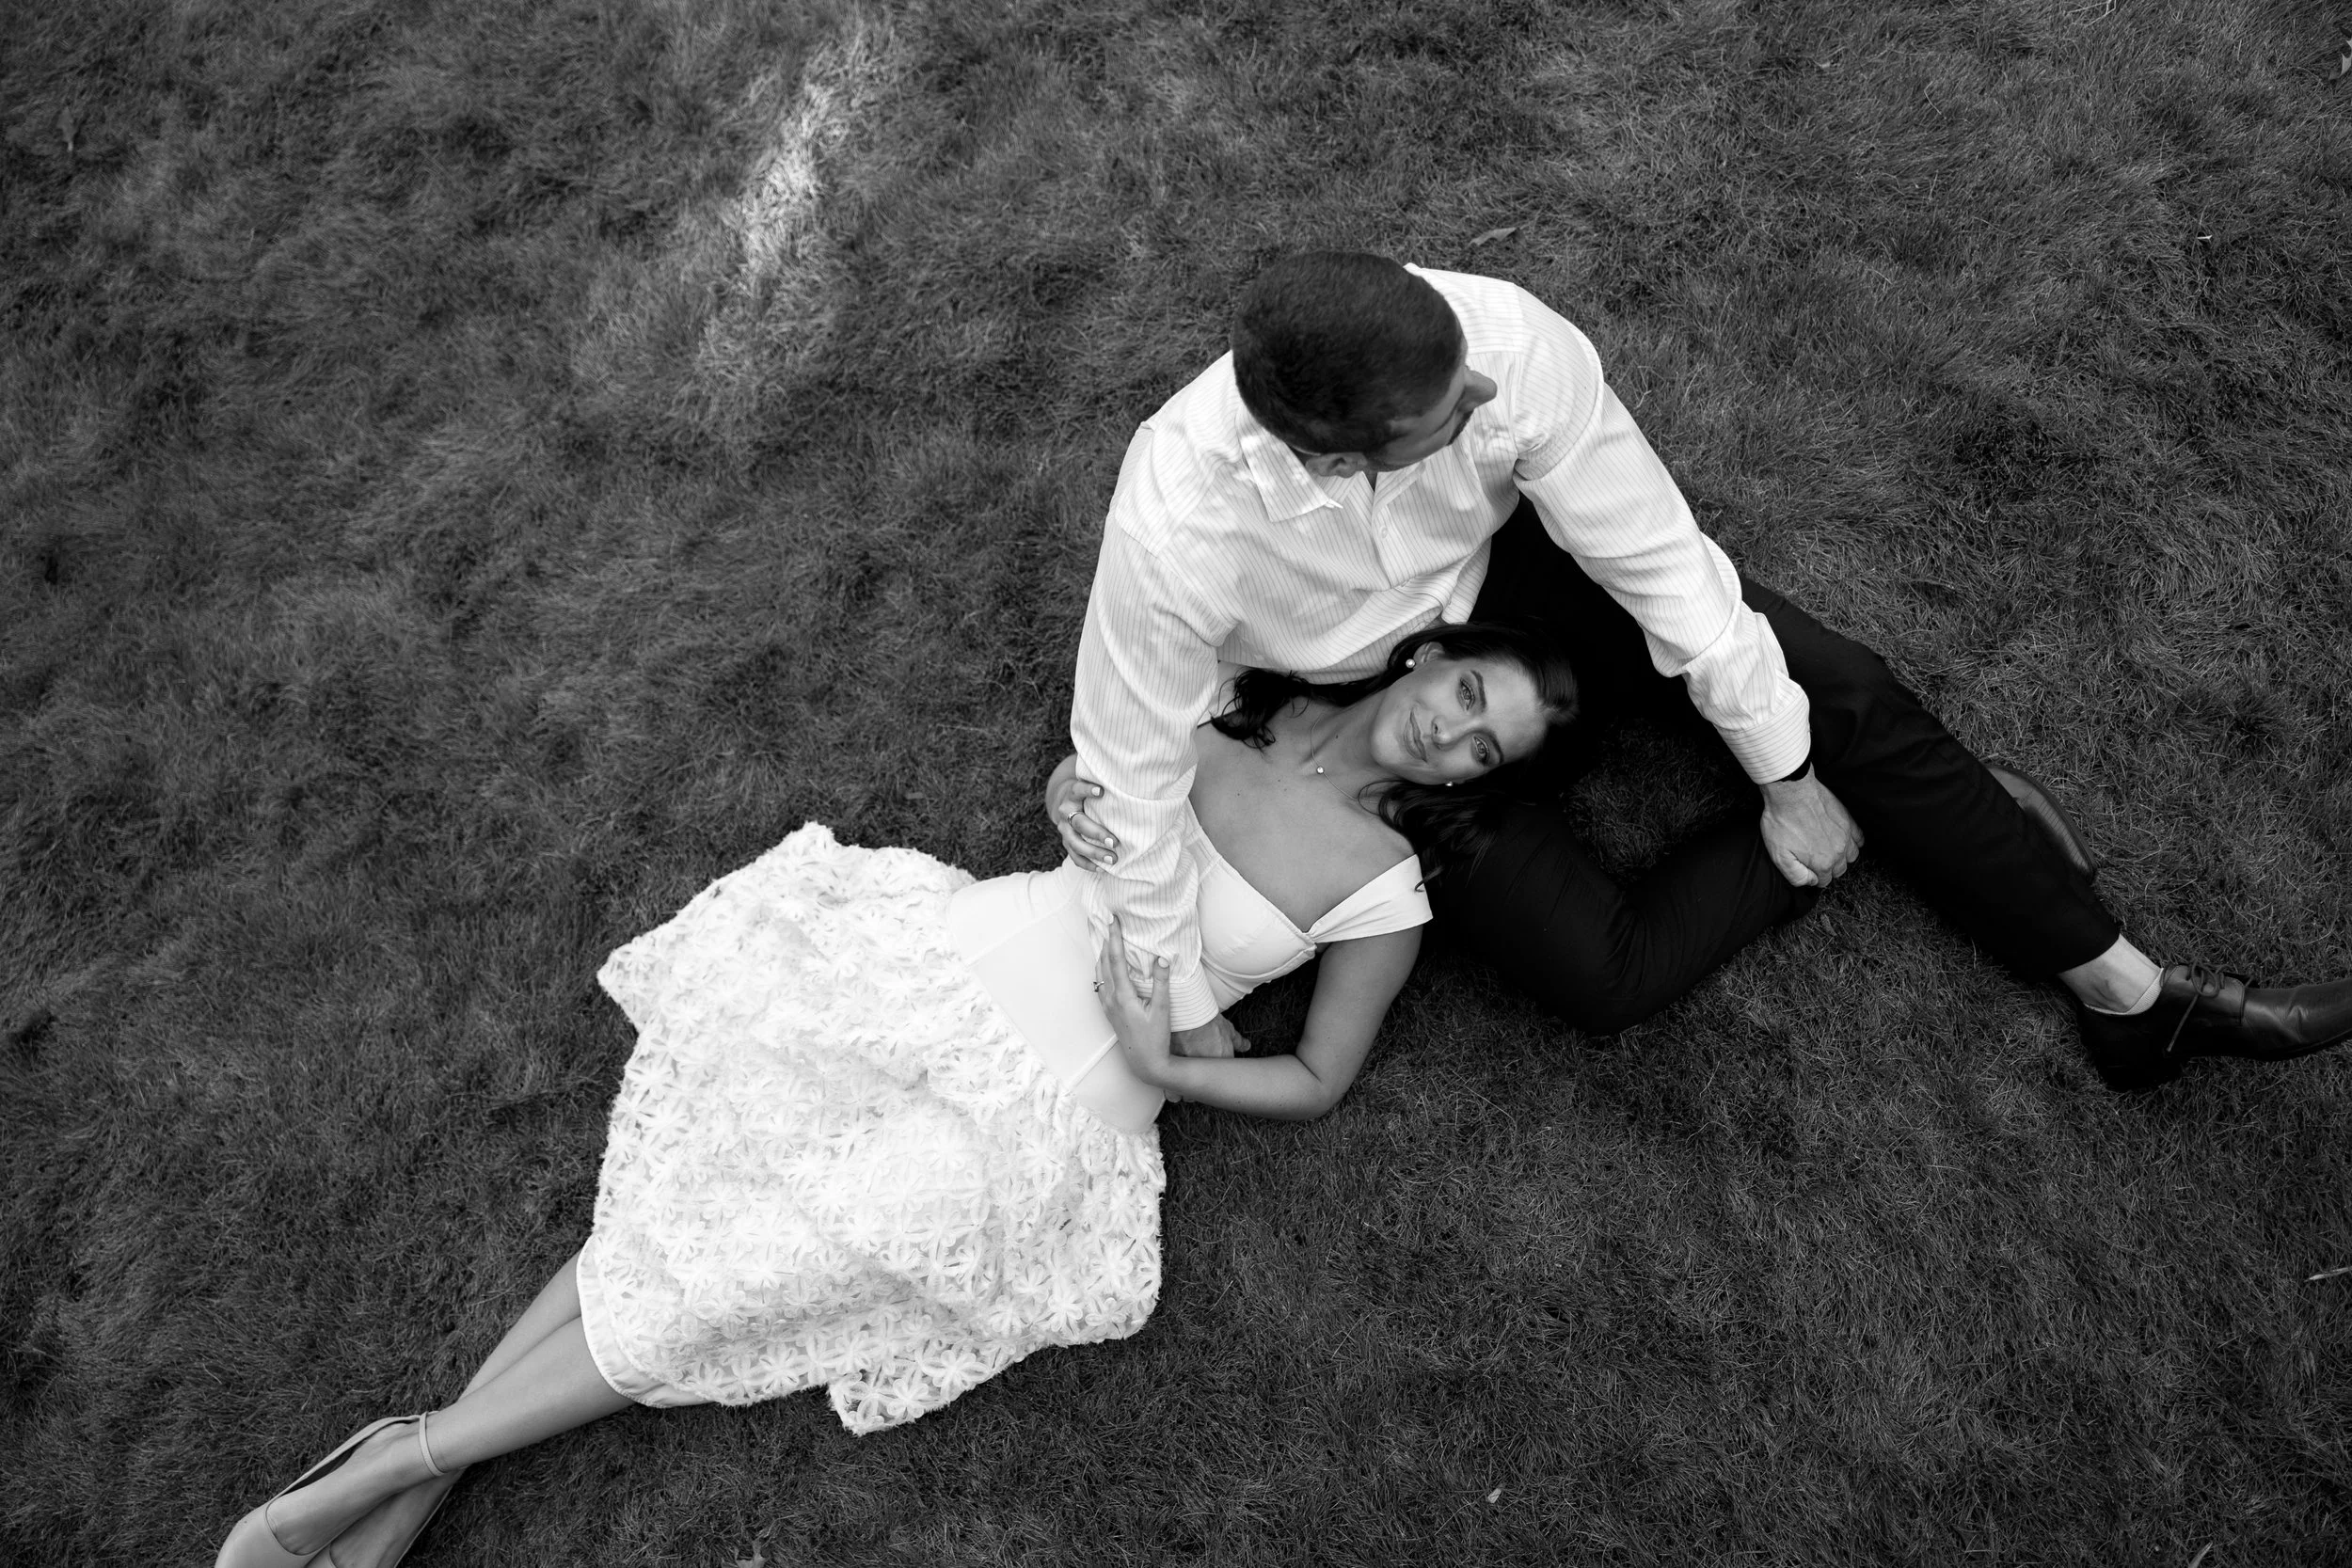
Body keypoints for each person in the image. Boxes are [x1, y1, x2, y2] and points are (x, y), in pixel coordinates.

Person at [213, 624, 1577, 1568]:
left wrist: (1170, 1061)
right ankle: (415, 1474)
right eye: (1469, 695)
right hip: (951, 966)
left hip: (1057, 1107)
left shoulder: (1385, 891)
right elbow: (1098, 774)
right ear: (1429, 653)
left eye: (1483, 753)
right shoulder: (1239, 698)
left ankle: (397, 1464)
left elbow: (1319, 1080)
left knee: (723, 1285)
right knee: (696, 1203)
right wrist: (1068, 789)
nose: (1452, 734)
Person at [1054, 250, 2352, 1093]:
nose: (1486, 393)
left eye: (1466, 370)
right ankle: (1941, 814)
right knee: (1600, 977)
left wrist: (1787, 769)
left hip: (1518, 597)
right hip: (1361, 714)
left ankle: (2128, 992)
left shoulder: (1506, 347)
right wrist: (1182, 996)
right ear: (1344, 460)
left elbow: (1670, 573)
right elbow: (1125, 772)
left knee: (1831, 690)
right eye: (1449, 415)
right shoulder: (1175, 528)